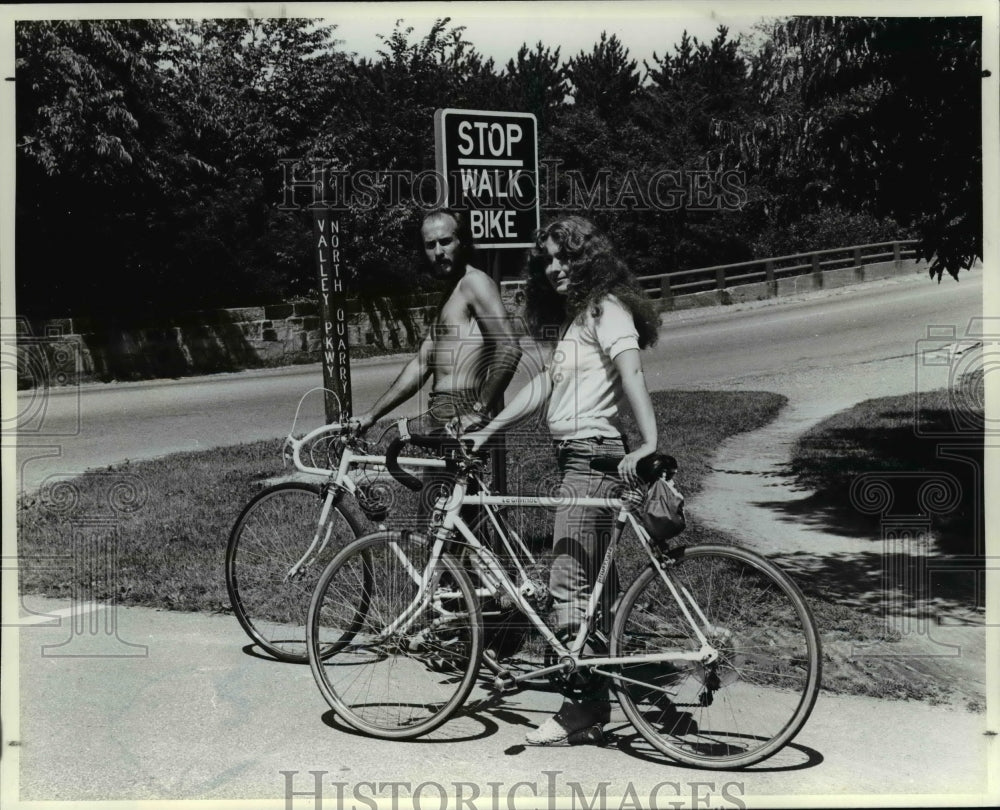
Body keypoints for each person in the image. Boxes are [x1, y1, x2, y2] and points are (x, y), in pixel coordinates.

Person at [464, 215, 660, 745]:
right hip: (580, 459)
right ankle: (601, 691)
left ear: (588, 258)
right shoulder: (578, 323)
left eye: (564, 257)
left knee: (568, 584)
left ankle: (583, 708)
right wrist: (490, 429)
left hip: (592, 460)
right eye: (546, 261)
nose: (554, 269)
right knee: (594, 589)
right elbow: (545, 384)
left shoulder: (606, 310)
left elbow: (632, 370)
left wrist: (649, 442)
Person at [351, 209, 522, 512]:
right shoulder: (450, 295)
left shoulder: (475, 283)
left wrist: (477, 410)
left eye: (446, 241)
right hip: (442, 412)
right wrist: (371, 415)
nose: (438, 252)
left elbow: (509, 348)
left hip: (462, 408)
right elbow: (420, 365)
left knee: (441, 526)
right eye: (430, 245)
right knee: (447, 523)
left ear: (462, 241)